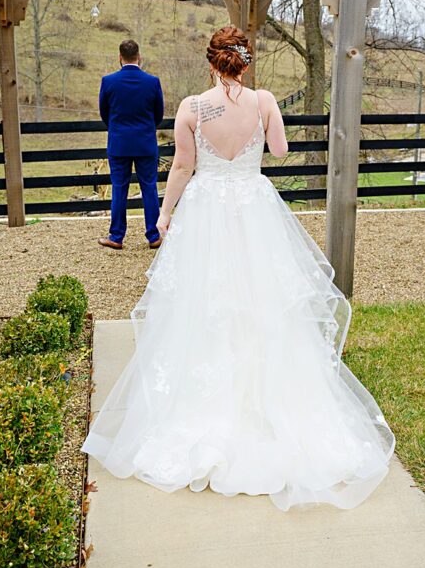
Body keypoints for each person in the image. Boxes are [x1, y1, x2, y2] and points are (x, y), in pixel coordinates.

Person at [82, 26, 395, 511]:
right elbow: (280, 151)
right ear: (245, 62)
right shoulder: (264, 101)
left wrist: (165, 215)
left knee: (205, 301)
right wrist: (263, 125)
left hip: (206, 209)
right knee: (261, 298)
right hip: (254, 206)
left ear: (212, 62)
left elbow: (182, 167)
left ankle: (204, 409)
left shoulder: (193, 108)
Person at [97, 39, 164, 250]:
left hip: (119, 144)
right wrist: (146, 129)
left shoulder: (108, 82)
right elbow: (159, 114)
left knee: (119, 188)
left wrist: (117, 128)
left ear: (120, 57)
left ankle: (116, 236)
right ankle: (154, 235)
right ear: (139, 57)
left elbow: (104, 113)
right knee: (149, 187)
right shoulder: (152, 82)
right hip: (145, 143)